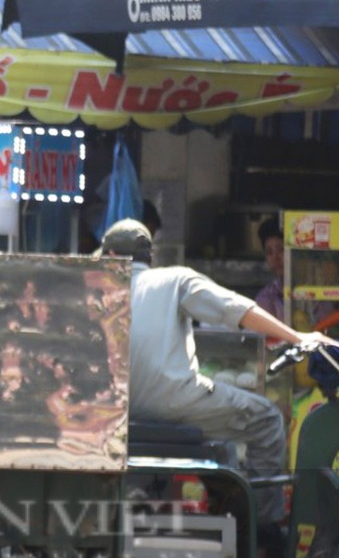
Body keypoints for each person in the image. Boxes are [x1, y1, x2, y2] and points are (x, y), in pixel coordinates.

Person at [106, 218, 318, 533]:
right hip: (174, 403)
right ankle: (265, 529)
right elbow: (236, 310)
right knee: (267, 420)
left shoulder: (97, 289)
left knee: (225, 448)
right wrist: (297, 338)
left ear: (109, 255)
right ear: (151, 258)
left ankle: (217, 506)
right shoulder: (174, 279)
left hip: (115, 414)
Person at [253, 219, 287, 321]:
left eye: (281, 250)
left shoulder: (318, 292)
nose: (275, 258)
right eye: (269, 252)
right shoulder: (266, 298)